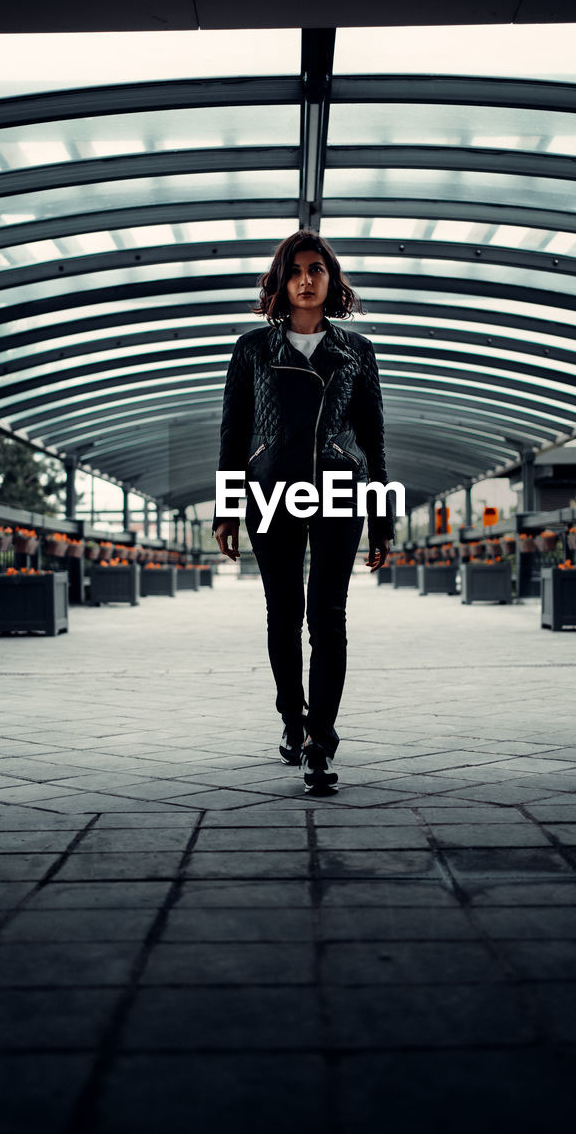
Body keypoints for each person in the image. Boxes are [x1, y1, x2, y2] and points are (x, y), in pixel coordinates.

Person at [213, 230, 393, 794]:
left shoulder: (356, 351)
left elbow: (373, 435)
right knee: (284, 613)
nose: (307, 280)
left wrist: (383, 517)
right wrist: (225, 507)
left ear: (331, 280)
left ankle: (321, 738)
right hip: (270, 490)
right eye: (296, 271)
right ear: (281, 281)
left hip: (340, 490)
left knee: (329, 616)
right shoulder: (253, 350)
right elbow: (233, 431)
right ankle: (292, 716)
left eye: (317, 269)